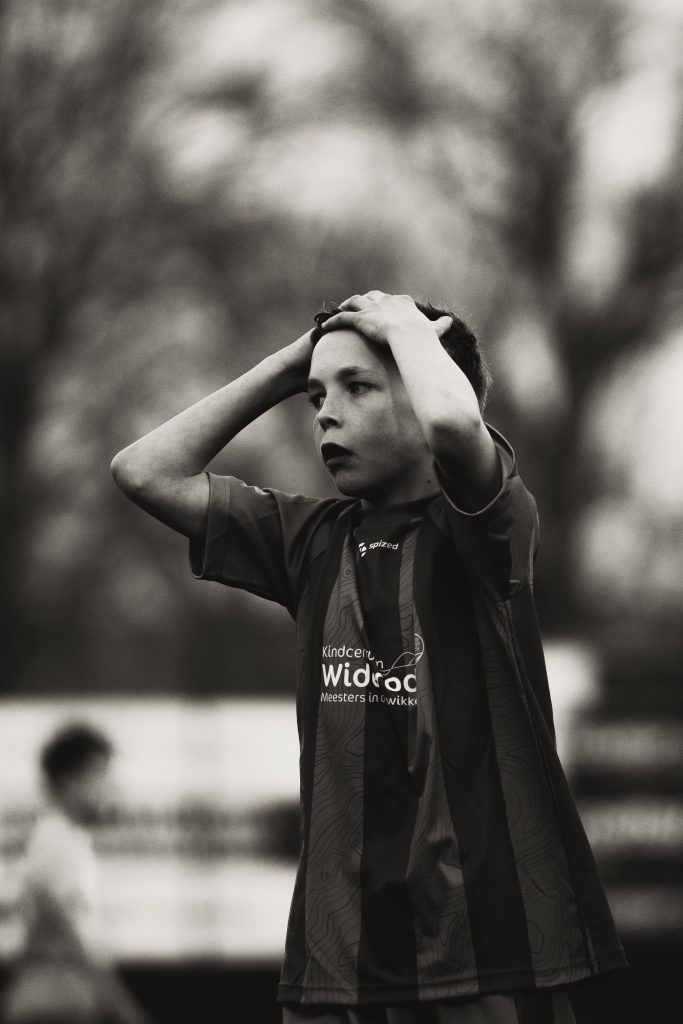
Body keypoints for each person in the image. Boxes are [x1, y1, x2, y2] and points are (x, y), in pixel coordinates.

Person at [110, 291, 627, 1023]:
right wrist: (287, 365)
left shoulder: (487, 525)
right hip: (339, 958)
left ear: (426, 387)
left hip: (484, 948)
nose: (325, 413)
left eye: (357, 387)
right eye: (316, 397)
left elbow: (453, 424)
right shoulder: (309, 539)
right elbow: (143, 471)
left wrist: (408, 329)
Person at [3, 723, 150, 1024]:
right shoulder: (56, 843)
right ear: (70, 781)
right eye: (99, 773)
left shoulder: (65, 840)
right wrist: (124, 1008)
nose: (108, 786)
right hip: (56, 997)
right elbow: (70, 938)